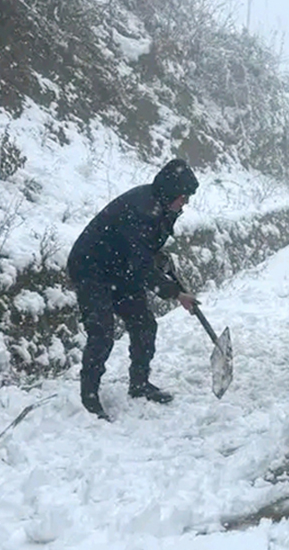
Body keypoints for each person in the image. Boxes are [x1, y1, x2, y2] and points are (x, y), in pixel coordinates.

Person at [67, 159, 200, 421]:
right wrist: (176, 293)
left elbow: (142, 251)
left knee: (144, 324)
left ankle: (139, 384)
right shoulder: (141, 209)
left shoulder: (161, 206)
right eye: (183, 197)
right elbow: (140, 265)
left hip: (120, 268)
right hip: (91, 268)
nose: (185, 203)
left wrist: (157, 257)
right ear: (172, 192)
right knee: (102, 332)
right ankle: (89, 398)